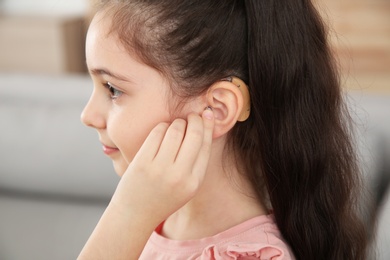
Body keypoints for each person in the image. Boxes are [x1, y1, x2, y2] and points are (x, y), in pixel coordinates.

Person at [78, 0, 369, 259]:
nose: (87, 115)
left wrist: (128, 215)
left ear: (217, 109)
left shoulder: (253, 255)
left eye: (112, 89)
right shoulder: (146, 226)